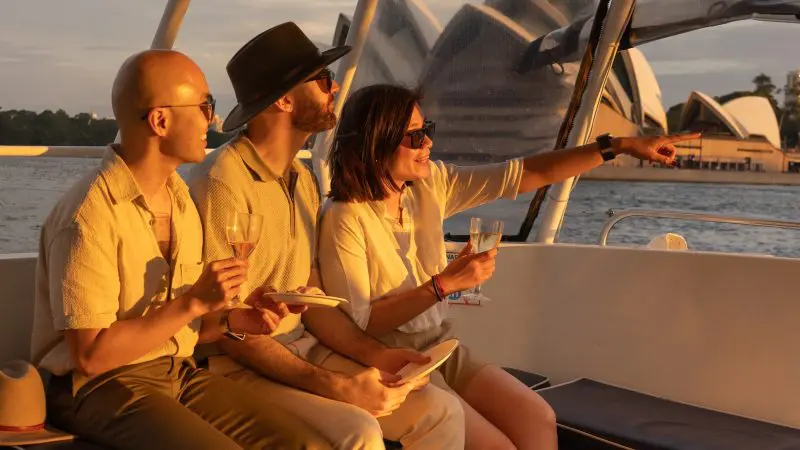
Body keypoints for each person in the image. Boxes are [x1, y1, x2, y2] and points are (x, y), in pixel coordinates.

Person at [317, 83, 701, 450]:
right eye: (415, 136)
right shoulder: (345, 216)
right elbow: (362, 324)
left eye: (427, 130)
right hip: (392, 357)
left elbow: (528, 174)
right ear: (376, 143)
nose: (428, 143)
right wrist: (442, 285)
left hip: (441, 344)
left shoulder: (431, 184)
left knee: (538, 417)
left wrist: (618, 146)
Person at [29, 49, 330, 450]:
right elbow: (90, 357)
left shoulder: (181, 200)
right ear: (160, 120)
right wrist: (192, 303)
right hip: (99, 388)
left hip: (177, 373)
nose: (213, 119)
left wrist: (237, 319)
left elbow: (186, 329)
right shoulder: (89, 215)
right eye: (206, 106)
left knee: (307, 445)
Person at [188, 23, 464, 449]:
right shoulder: (223, 184)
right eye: (322, 80)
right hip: (236, 366)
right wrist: (335, 386)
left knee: (440, 412)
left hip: (302, 347)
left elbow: (313, 301)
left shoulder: (301, 177)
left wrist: (377, 355)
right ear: (283, 99)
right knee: (359, 431)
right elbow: (227, 329)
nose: (334, 89)